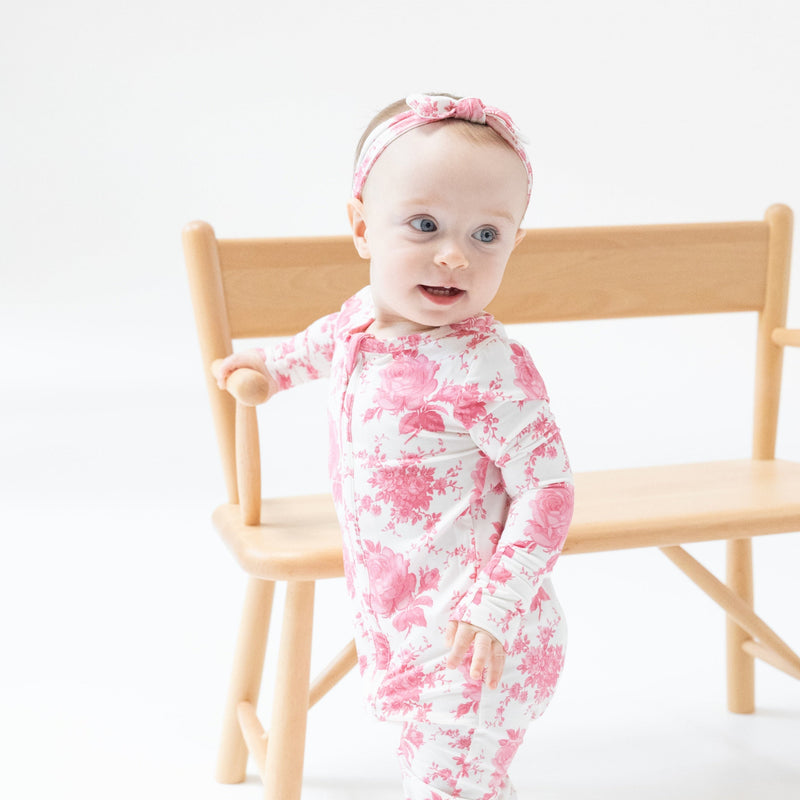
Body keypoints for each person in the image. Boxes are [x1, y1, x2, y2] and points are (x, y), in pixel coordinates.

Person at [214, 93, 573, 800]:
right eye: (425, 225)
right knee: (451, 779)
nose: (454, 255)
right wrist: (271, 366)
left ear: (514, 243)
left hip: (478, 639)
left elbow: (548, 487)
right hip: (405, 625)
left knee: (448, 785)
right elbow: (319, 345)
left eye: (486, 235)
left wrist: (496, 604)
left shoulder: (487, 369)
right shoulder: (361, 321)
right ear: (361, 227)